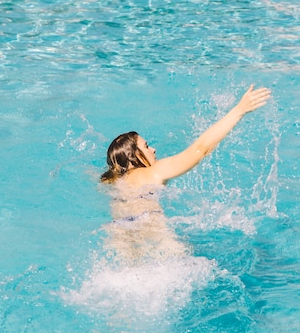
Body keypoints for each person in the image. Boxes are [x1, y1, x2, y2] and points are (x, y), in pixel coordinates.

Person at [99, 85, 271, 264]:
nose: (154, 150)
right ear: (133, 157)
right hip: (155, 238)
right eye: (147, 146)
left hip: (118, 238)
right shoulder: (153, 173)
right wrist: (239, 110)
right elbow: (200, 149)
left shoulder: (114, 181)